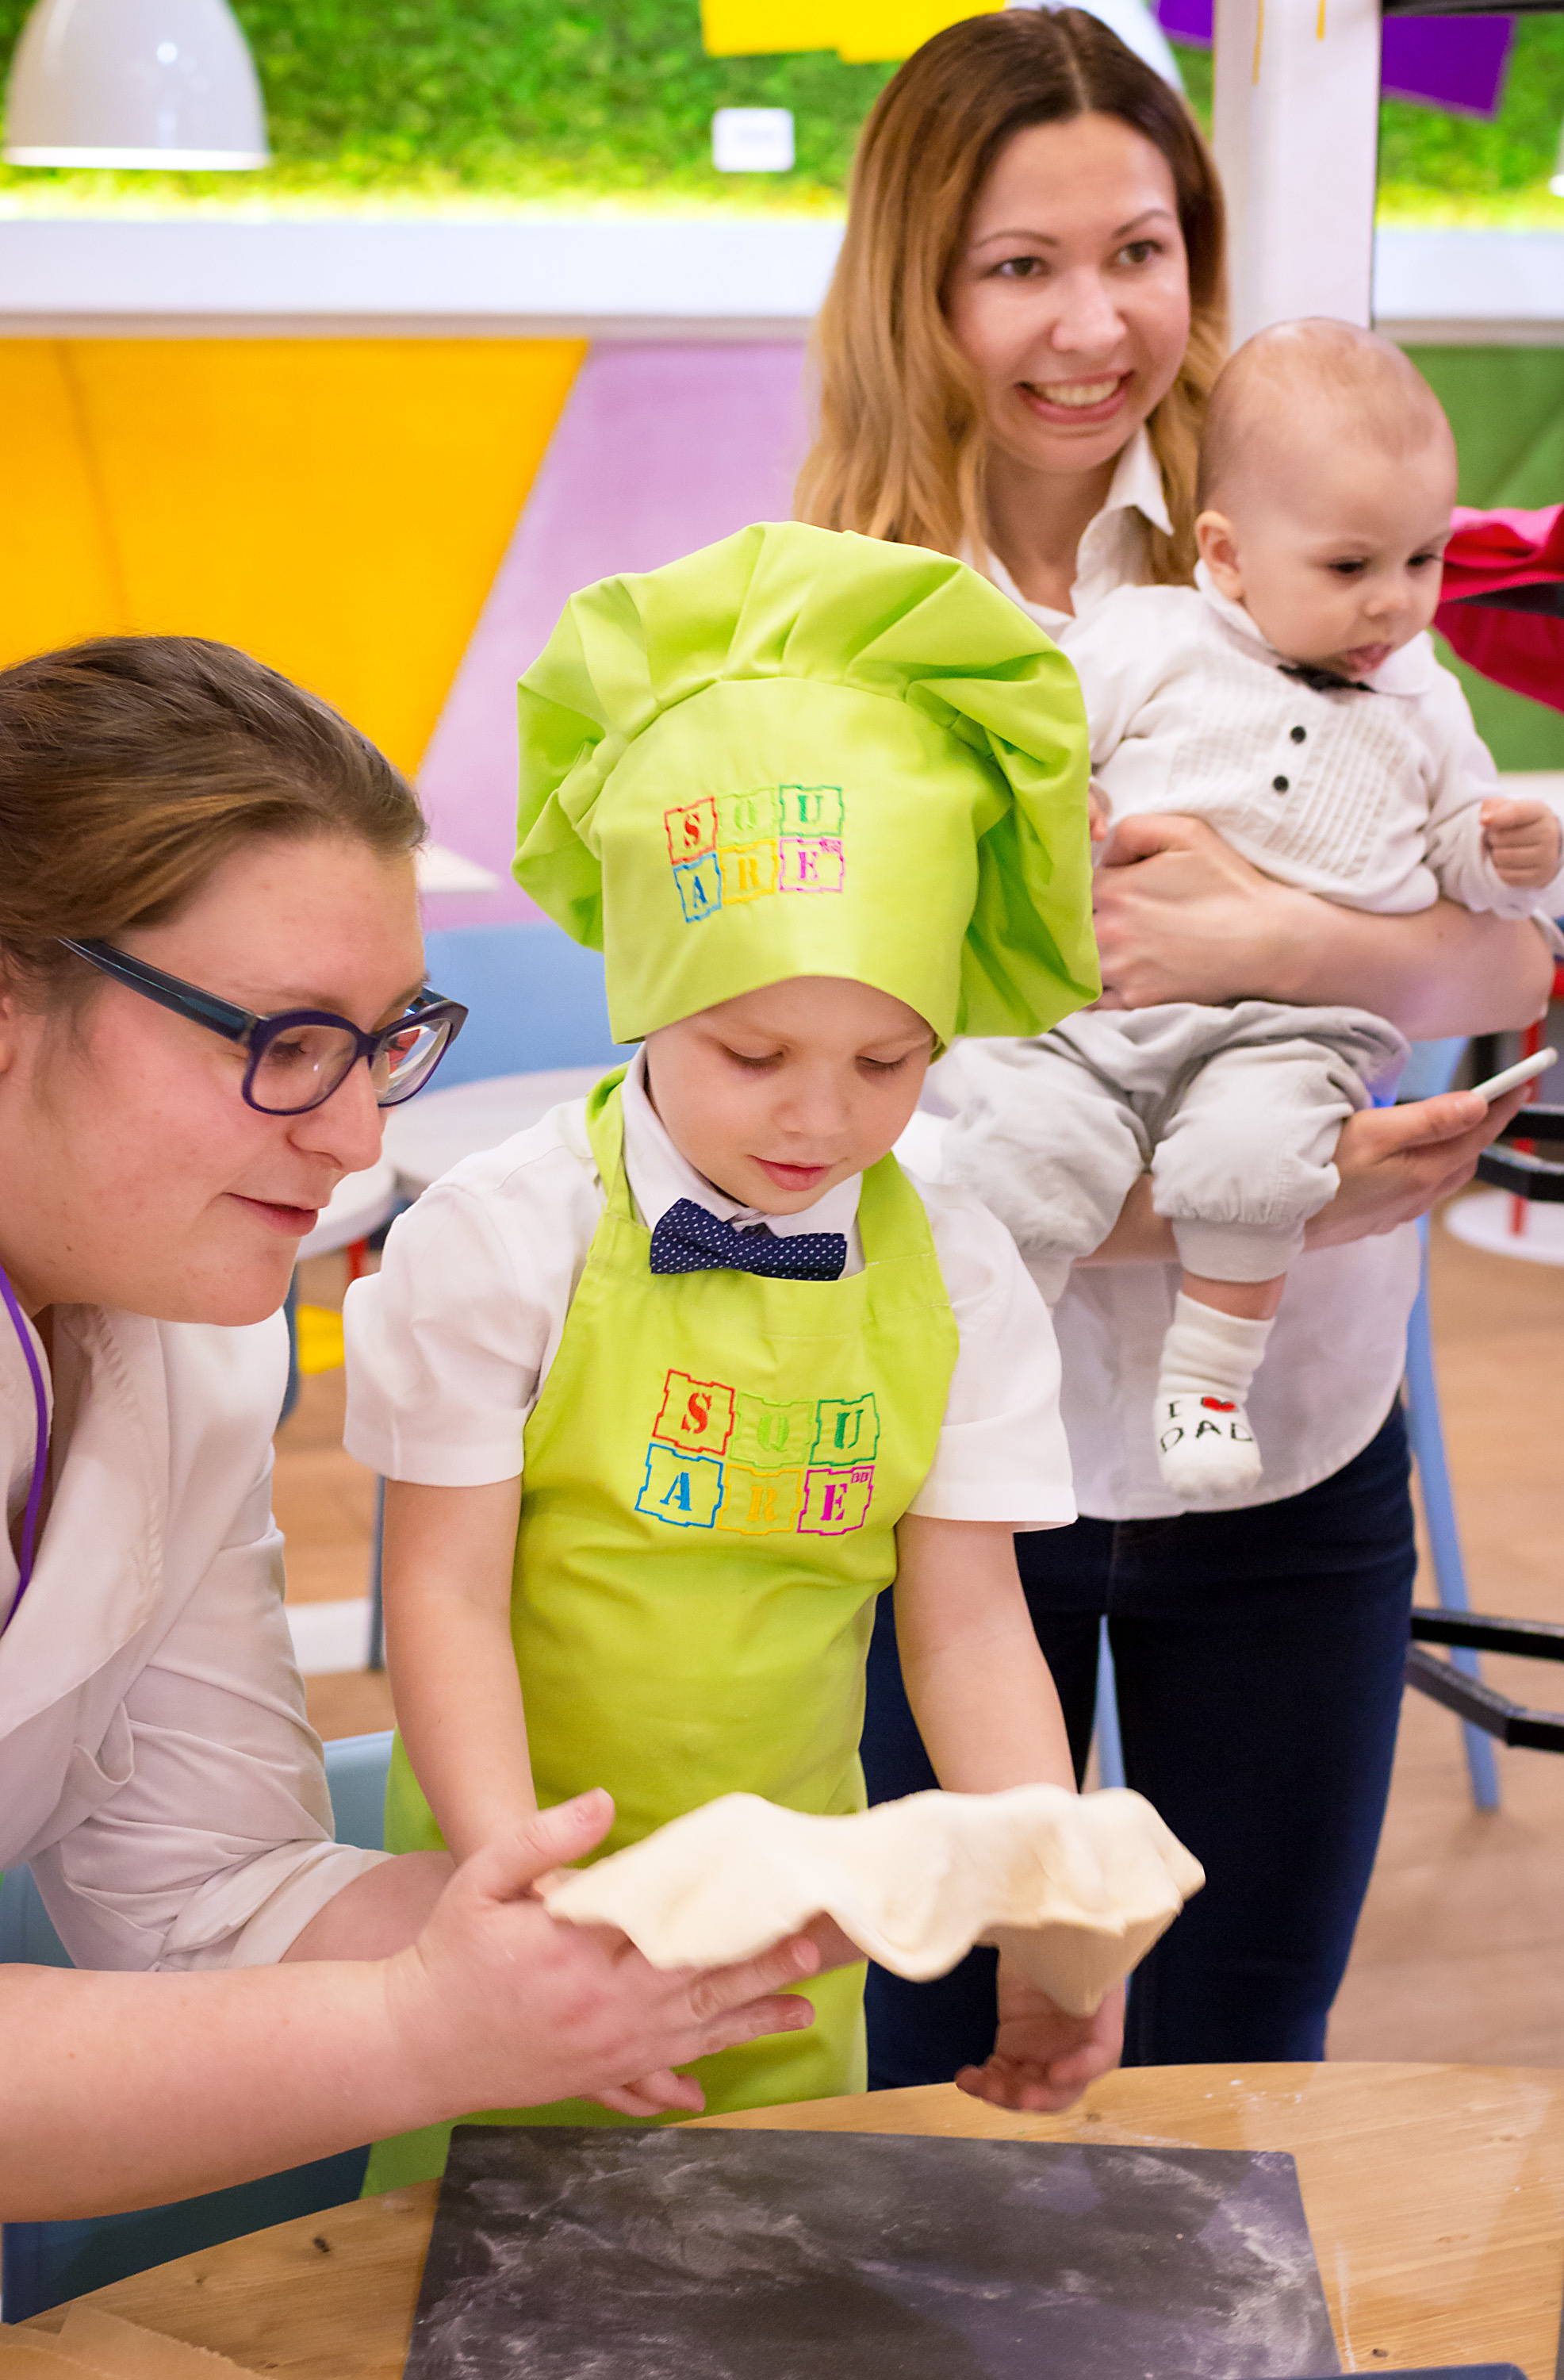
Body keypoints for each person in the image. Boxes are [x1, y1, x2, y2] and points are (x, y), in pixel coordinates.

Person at [797, 6, 1549, 2079]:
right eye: (1015, 266)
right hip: (956, 1456)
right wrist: (1227, 1203)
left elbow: (1493, 967)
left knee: (1246, 2040)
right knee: (938, 2045)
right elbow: (812, 1103)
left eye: (1135, 251)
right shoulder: (832, 620)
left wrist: (1293, 937)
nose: (1088, 324)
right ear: (919, 291)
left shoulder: (1306, 527)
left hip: (1292, 1431)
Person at [0, 634, 830, 2223]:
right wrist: (413, 2030)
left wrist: (602, 1931)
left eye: (381, 1040)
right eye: (281, 1041)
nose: (358, 1134)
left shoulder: (194, 1358)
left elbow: (209, 1893)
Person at [342, 519, 1118, 2190]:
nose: (819, 1119)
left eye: (887, 1061)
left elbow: (969, 1629)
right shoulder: (501, 1240)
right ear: (644, 994)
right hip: (506, 1907)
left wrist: (1047, 1918)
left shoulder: (956, 1269)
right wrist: (520, 1909)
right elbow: (444, 1597)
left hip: (785, 1943)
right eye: (750, 1050)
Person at [948, 322, 1564, 1505]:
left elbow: (1469, 875)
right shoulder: (1150, 639)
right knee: (1025, 1158)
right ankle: (983, 1376)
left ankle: (1209, 1387)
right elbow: (1041, 751)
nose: (1393, 604)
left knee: (1256, 1166)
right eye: (1350, 568)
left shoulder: (1420, 700)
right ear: (1226, 557)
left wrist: (1506, 855)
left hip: (1296, 1041)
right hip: (1100, 1032)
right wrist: (1054, 798)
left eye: (1425, 561)